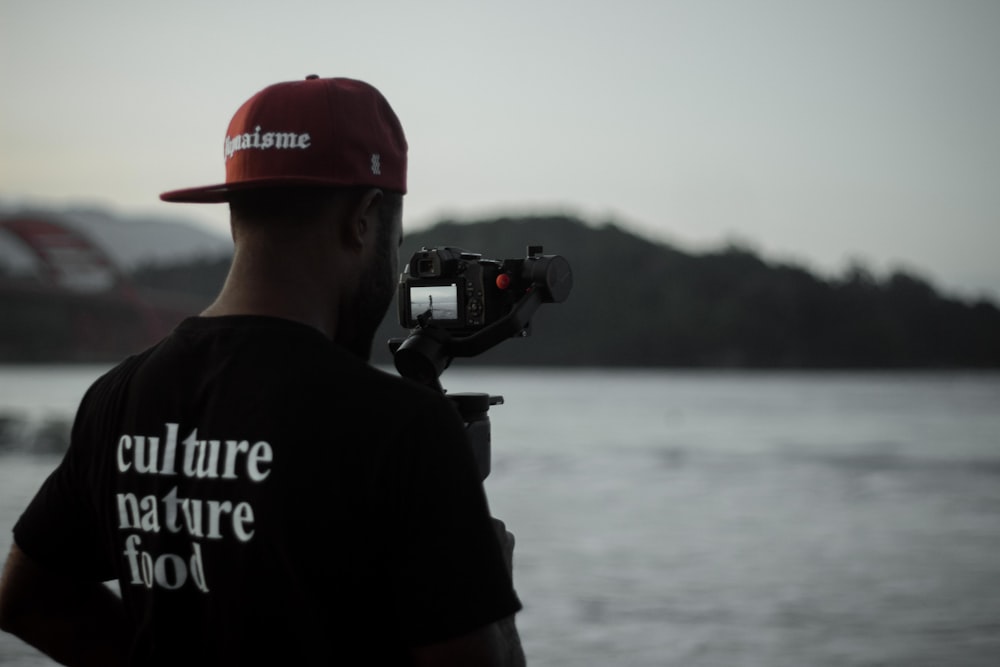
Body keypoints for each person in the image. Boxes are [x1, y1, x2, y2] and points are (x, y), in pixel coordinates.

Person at [0, 75, 524, 666]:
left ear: (234, 215)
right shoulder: (402, 428)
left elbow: (27, 598)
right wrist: (492, 592)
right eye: (395, 242)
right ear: (364, 218)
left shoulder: (118, 396)